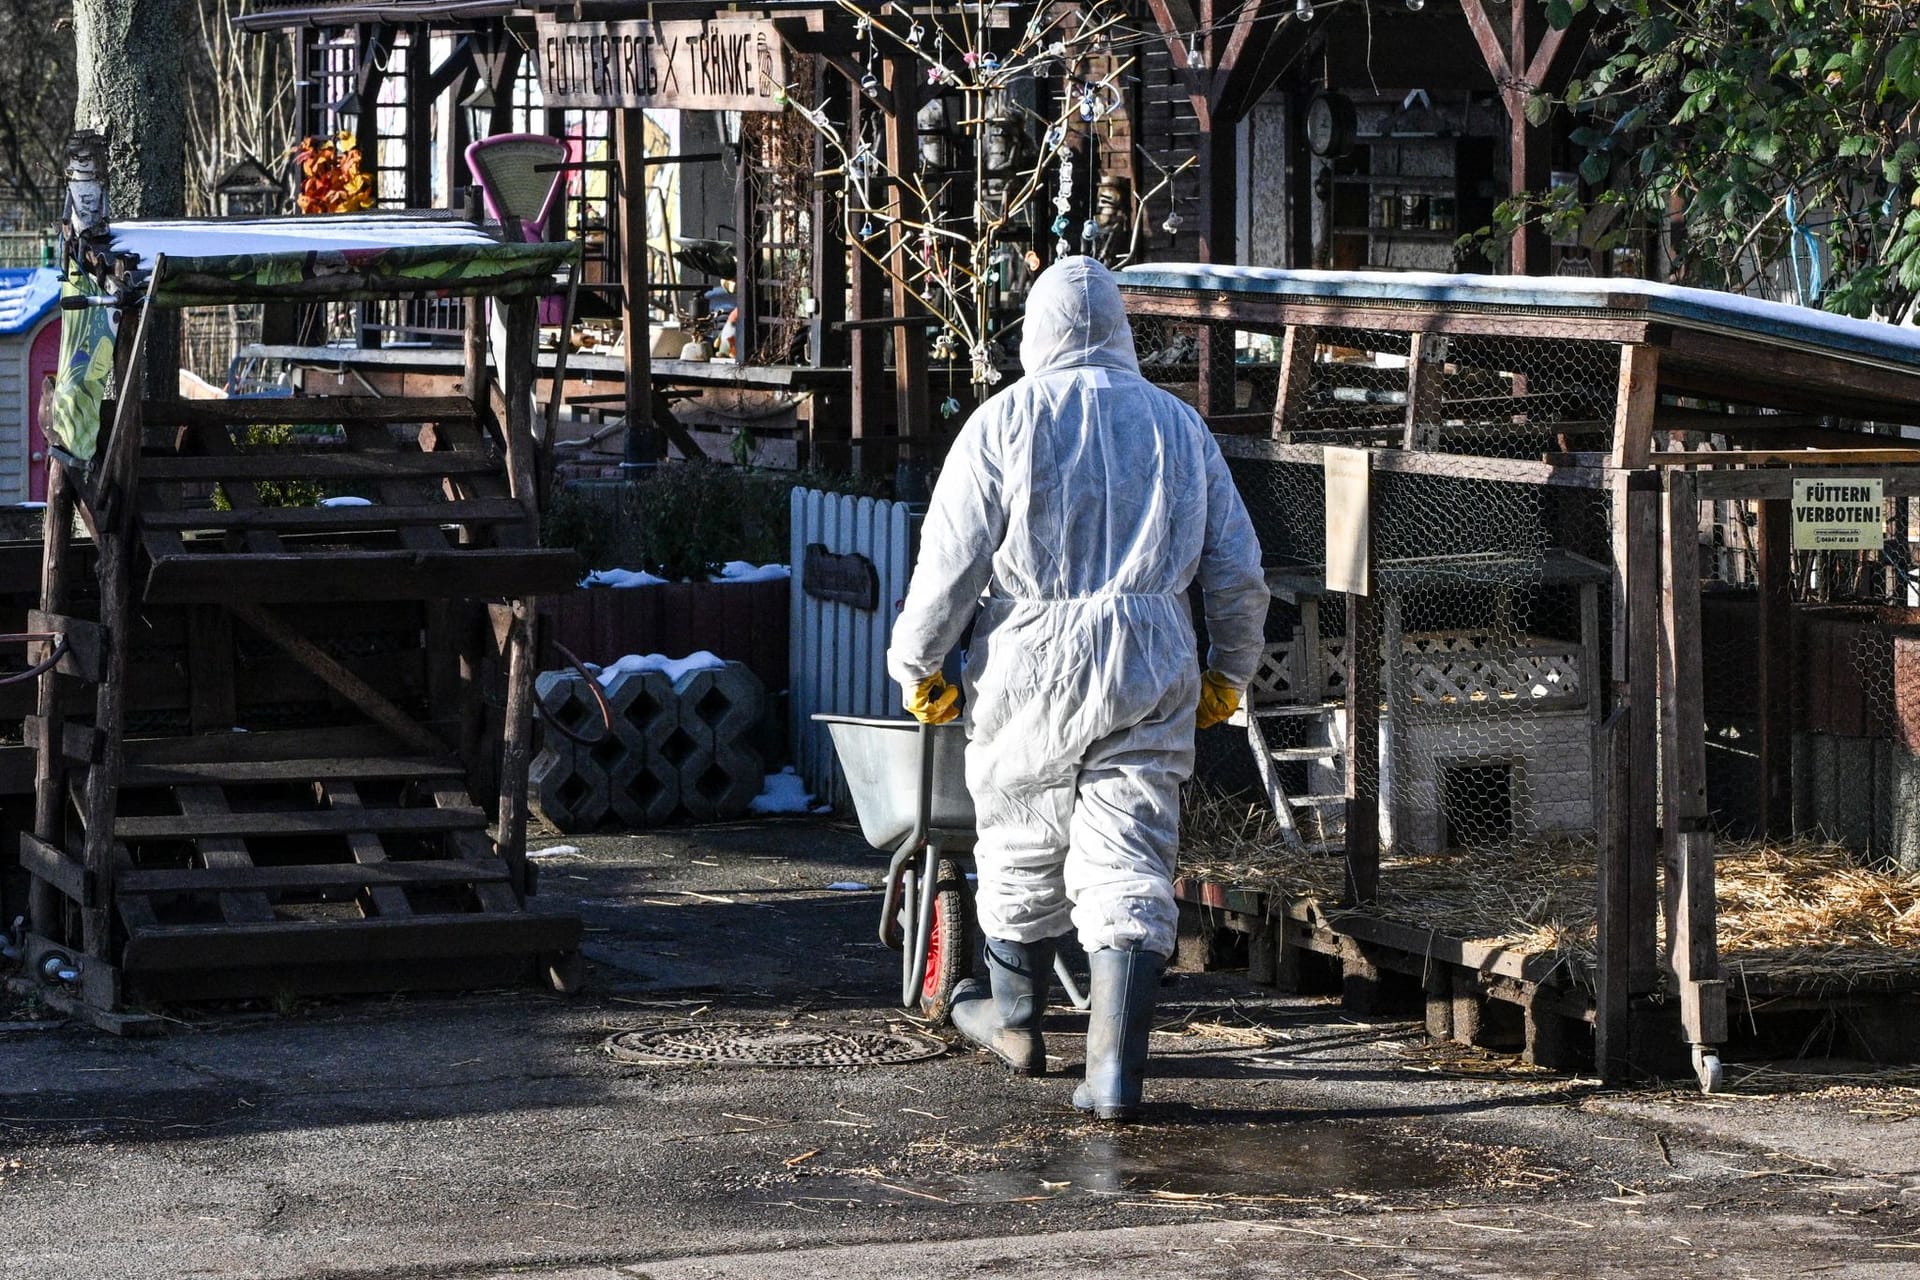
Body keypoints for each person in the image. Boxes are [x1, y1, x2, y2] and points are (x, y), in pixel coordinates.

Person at [886, 256, 1269, 1121]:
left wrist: (919, 667)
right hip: (1151, 655)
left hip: (1028, 663)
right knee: (1130, 852)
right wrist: (1227, 674)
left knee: (1019, 836)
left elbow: (947, 570)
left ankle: (1018, 1023)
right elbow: (1239, 572)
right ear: (1124, 332)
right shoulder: (1177, 425)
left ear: (1035, 331)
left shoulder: (1002, 423)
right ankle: (1115, 1078)